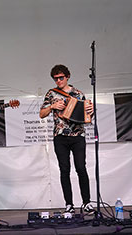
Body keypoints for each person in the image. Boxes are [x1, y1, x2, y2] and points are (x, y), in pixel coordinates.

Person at [39, 64, 94, 214]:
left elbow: (87, 116)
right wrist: (52, 106)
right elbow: (41, 114)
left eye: (61, 78)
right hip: (60, 137)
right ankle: (69, 204)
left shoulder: (79, 94)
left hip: (78, 136)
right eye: (55, 79)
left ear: (67, 76)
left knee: (81, 168)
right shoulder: (51, 94)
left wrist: (91, 111)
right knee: (64, 170)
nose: (58, 81)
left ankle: (87, 202)